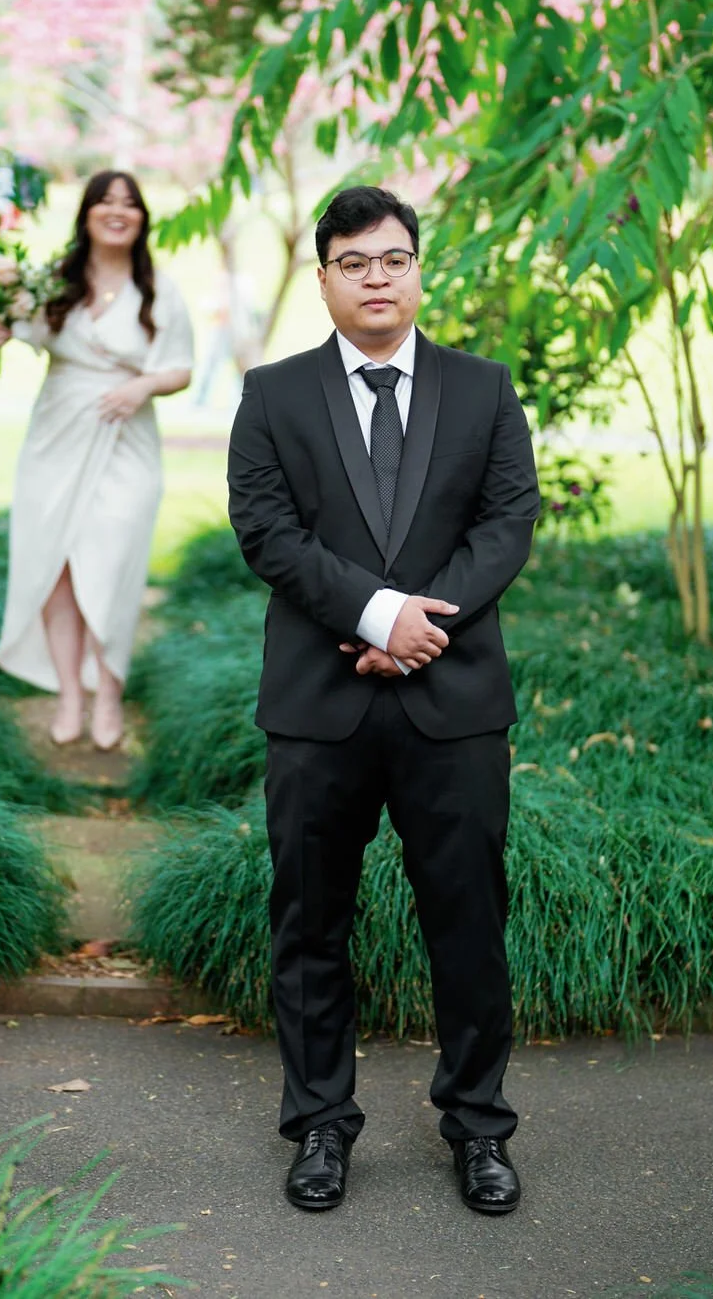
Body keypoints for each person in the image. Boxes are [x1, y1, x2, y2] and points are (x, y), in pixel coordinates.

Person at [225, 186, 539, 1214]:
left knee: (467, 921)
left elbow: (505, 522)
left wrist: (418, 626)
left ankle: (479, 1129)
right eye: (353, 262)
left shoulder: (483, 389)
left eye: (392, 259)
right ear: (322, 279)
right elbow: (268, 535)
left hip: (452, 704)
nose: (375, 278)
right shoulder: (271, 396)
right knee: (310, 923)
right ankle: (319, 1124)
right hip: (320, 706)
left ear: (417, 270)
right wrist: (372, 617)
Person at [0, 171, 193, 751]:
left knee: (111, 563)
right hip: (56, 436)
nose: (118, 211)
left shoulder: (159, 290)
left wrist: (141, 386)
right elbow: (10, 328)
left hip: (127, 439)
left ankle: (109, 694)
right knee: (56, 569)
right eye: (106, 201)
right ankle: (69, 697)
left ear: (143, 218)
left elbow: (181, 367)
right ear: (86, 214)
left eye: (131, 203)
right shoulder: (54, 283)